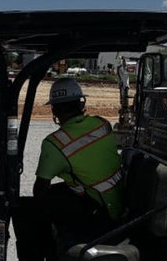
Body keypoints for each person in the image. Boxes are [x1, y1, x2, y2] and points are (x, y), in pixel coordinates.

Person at [33, 77, 124, 236]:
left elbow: (39, 190)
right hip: (118, 201)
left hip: (100, 212)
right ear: (81, 104)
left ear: (54, 110)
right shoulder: (102, 124)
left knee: (29, 209)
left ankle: (44, 256)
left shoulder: (54, 144)